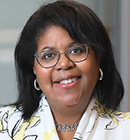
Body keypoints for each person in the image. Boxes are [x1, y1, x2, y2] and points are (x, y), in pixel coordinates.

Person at [0, 0, 130, 140]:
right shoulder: (4, 127)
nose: (64, 64)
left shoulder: (126, 130)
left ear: (98, 58)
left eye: (76, 50)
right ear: (34, 69)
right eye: (48, 55)